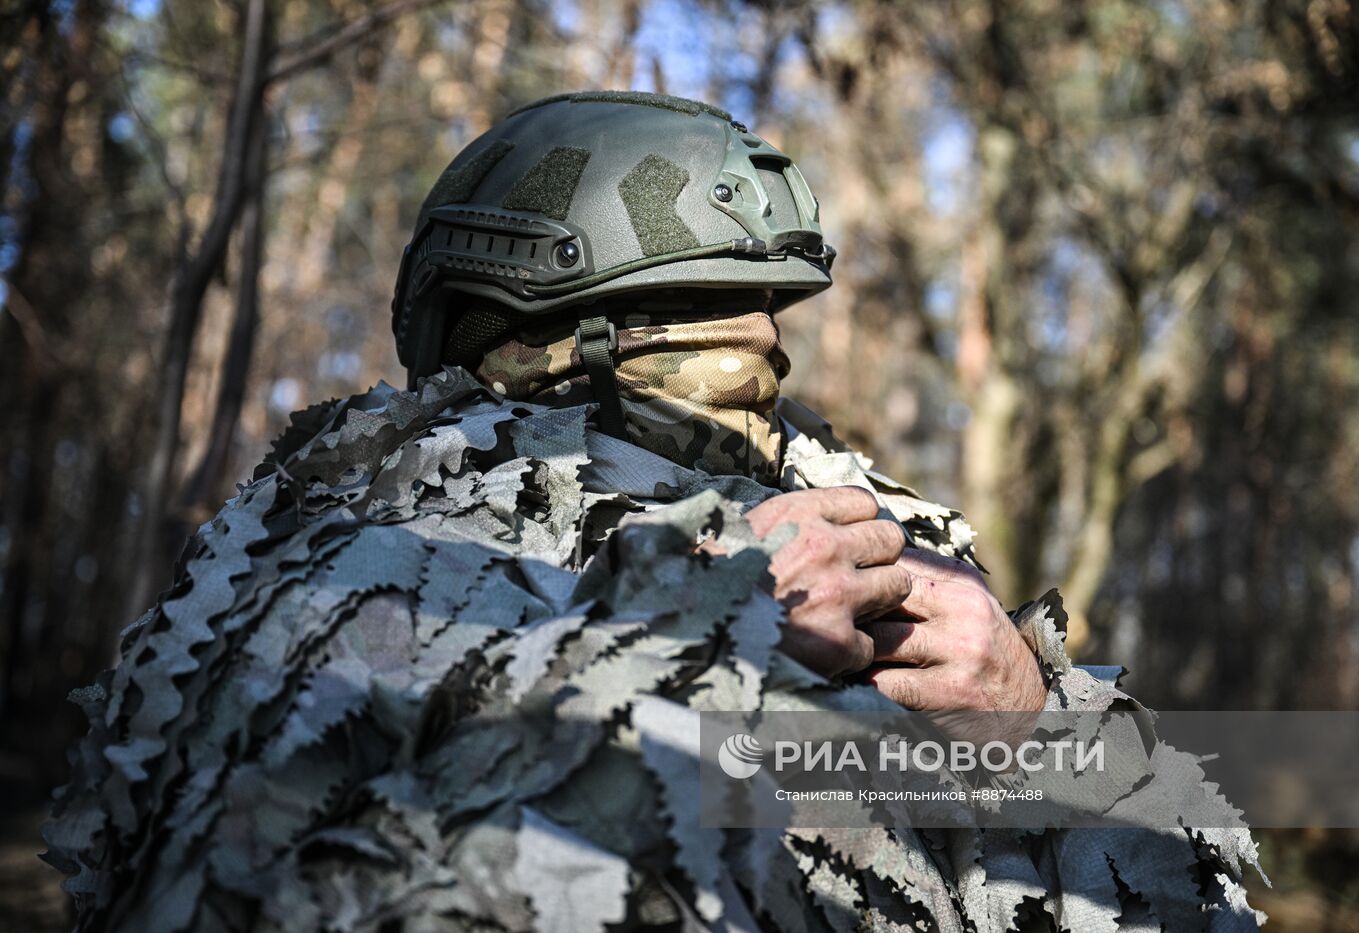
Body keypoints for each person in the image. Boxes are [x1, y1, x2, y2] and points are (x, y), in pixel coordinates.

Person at [45, 91, 1264, 932]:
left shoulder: (881, 536)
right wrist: (683, 640)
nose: (752, 355)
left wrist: (1038, 717)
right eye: (701, 309)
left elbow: (1186, 906)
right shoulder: (368, 526)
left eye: (756, 318)